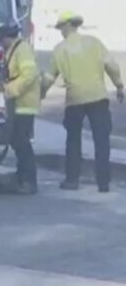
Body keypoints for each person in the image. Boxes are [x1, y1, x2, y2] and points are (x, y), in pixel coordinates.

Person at [42, 11, 124, 193]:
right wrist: (119, 85)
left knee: (73, 140)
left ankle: (72, 180)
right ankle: (103, 183)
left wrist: (41, 93)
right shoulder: (94, 43)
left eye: (61, 28)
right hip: (98, 97)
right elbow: (111, 65)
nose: (60, 31)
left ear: (67, 26)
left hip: (75, 99)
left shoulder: (60, 49)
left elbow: (48, 77)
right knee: (102, 141)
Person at [0, 20, 39, 195]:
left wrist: (10, 90)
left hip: (24, 104)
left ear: (7, 36)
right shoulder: (12, 50)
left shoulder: (22, 49)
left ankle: (28, 181)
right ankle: (22, 177)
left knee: (21, 142)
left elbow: (29, 75)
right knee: (17, 141)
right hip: (17, 104)